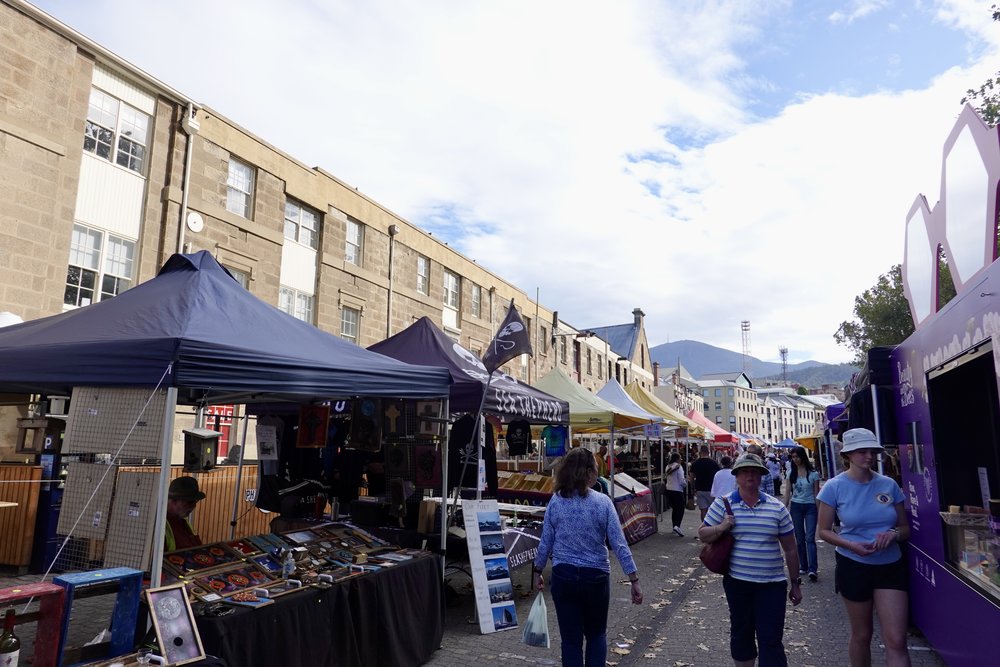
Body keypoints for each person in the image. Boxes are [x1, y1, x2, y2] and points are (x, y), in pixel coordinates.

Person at [533, 448, 643, 667]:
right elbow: (619, 543)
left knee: (571, 641)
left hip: (564, 576)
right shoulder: (603, 503)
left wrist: (537, 570)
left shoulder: (556, 501)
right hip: (596, 577)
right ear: (589, 472)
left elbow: (546, 541)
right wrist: (634, 579)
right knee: (596, 635)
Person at [817, 428, 910, 667]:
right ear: (848, 454)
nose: (869, 456)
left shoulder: (888, 485)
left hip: (890, 565)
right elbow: (824, 531)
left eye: (872, 451)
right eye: (862, 451)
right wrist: (851, 545)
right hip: (853, 565)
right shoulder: (834, 487)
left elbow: (905, 529)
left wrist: (892, 534)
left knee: (897, 640)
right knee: (861, 635)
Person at [699, 453, 802, 666]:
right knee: (741, 635)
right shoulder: (723, 504)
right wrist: (722, 526)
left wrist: (795, 584)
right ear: (736, 476)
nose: (750, 475)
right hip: (738, 583)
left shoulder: (777, 507)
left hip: (772, 585)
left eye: (755, 472)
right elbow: (703, 534)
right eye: (745, 471)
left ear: (762, 476)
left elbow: (791, 549)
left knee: (771, 639)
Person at [784, 446, 820, 582]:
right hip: (796, 506)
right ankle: (803, 566)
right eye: (793, 457)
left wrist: (819, 510)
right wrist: (784, 508)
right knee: (799, 538)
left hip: (810, 506)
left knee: (810, 538)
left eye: (797, 456)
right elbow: (787, 492)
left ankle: (813, 569)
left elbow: (817, 494)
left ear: (802, 456)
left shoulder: (813, 474)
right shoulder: (790, 473)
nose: (795, 460)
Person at [165, 476, 205, 551]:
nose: (194, 506)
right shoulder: (159, 528)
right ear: (172, 501)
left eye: (195, 501)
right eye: (189, 502)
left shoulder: (183, 521)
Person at [689, 445, 720, 521]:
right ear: (708, 453)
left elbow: (691, 477)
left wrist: (692, 489)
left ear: (700, 453)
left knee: (703, 510)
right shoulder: (714, 463)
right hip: (711, 490)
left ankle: (704, 525)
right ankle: (711, 525)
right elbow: (718, 477)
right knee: (712, 509)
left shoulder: (695, 463)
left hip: (699, 489)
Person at [664, 452, 687, 536]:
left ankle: (674, 526)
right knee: (680, 509)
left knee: (674, 509)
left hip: (669, 489)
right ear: (677, 459)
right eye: (680, 458)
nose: (681, 460)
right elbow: (681, 480)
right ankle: (677, 526)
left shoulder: (668, 466)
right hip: (677, 490)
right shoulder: (678, 467)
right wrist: (685, 484)